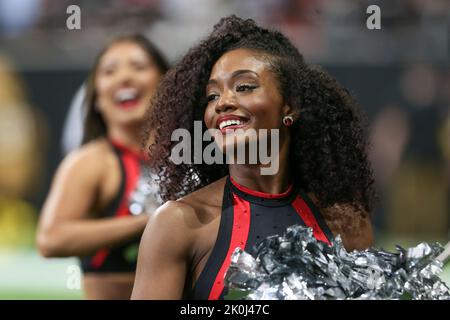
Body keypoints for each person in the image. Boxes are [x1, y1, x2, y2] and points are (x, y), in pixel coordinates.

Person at [132, 16, 375, 300]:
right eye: (211, 96)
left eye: (244, 87)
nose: (222, 103)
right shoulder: (178, 223)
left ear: (291, 106)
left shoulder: (347, 221)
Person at [37, 34, 169, 299]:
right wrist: (153, 222)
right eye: (110, 71)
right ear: (97, 97)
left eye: (139, 67)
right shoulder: (90, 161)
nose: (124, 78)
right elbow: (51, 239)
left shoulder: (190, 156)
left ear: (167, 84)